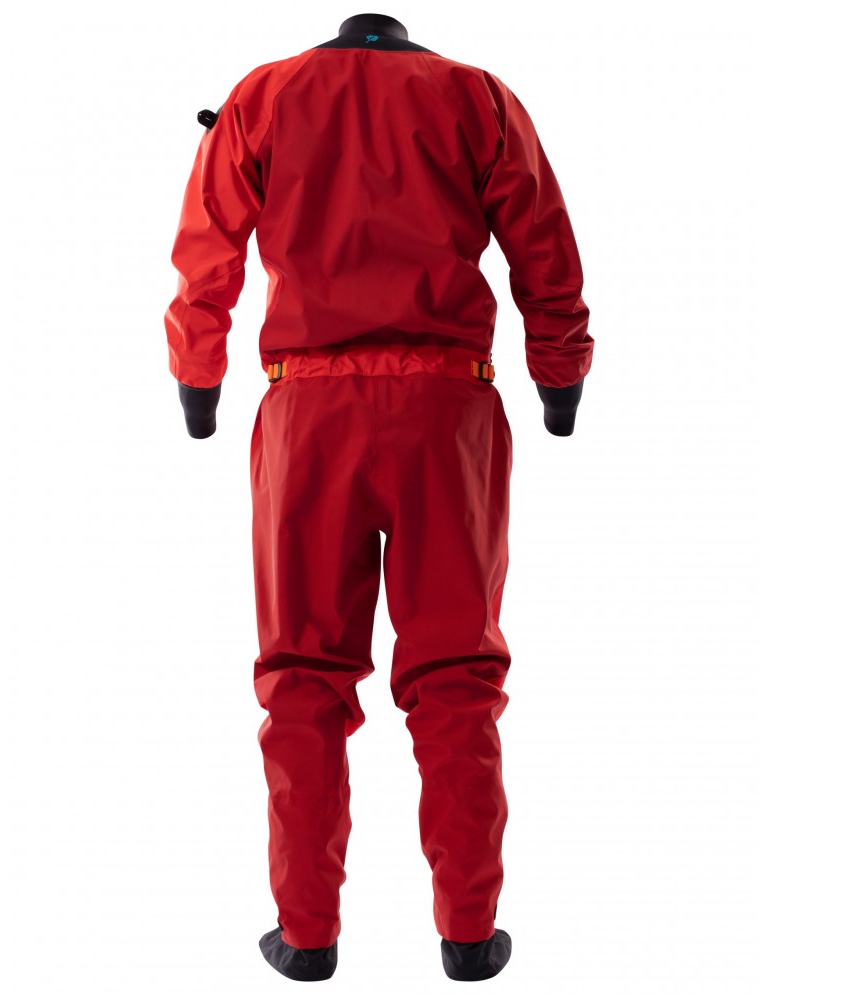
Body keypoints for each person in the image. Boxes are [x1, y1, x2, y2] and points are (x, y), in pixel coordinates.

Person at [163, 11, 594, 982]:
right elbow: (544, 243)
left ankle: (306, 935)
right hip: (447, 414)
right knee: (456, 675)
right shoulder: (475, 97)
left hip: (307, 417)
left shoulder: (264, 97)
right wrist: (559, 376)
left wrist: (198, 379)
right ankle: (469, 936)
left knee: (302, 675)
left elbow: (207, 244)